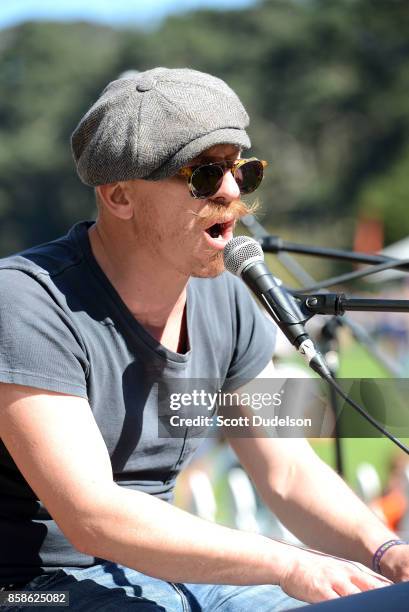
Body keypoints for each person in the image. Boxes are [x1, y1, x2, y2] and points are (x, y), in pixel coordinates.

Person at [0, 67, 408, 611]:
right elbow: (92, 516)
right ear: (119, 196)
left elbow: (286, 470)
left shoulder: (229, 298)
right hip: (34, 591)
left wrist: (383, 552)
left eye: (243, 170)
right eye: (204, 175)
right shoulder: (24, 302)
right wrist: (290, 562)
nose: (233, 192)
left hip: (170, 574)